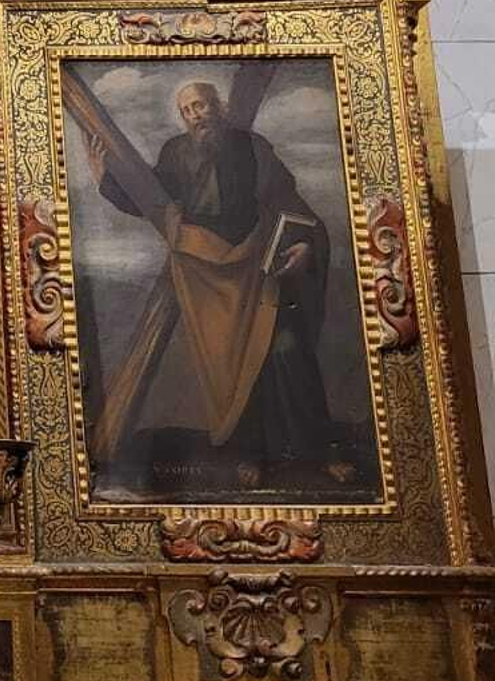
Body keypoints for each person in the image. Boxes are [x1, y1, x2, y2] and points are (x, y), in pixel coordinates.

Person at [84, 80, 348, 487]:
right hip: (207, 276)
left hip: (258, 267)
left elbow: (287, 199)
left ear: (218, 107)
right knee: (229, 364)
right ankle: (250, 455)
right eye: (188, 110)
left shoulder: (254, 147)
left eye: (202, 106)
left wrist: (304, 244)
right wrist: (105, 182)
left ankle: (318, 450)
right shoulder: (175, 153)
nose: (196, 115)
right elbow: (152, 199)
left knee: (288, 352)